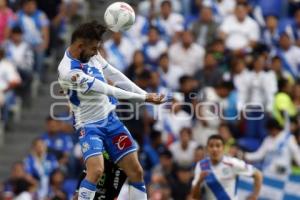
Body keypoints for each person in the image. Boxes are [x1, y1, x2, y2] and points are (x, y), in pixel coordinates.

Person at [57, 21, 165, 200]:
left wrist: (144, 93)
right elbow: (108, 89)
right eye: (93, 48)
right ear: (80, 45)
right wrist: (144, 99)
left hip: (111, 120)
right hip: (89, 125)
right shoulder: (69, 71)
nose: (96, 52)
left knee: (136, 171)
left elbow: (114, 74)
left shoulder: (91, 54)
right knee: (96, 170)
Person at [191, 135, 262, 200]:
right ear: (207, 149)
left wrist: (254, 195)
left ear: (223, 148)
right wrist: (199, 181)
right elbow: (195, 196)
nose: (214, 149)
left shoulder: (232, 163)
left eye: (218, 146)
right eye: (211, 146)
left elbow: (258, 174)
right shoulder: (201, 165)